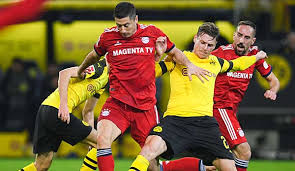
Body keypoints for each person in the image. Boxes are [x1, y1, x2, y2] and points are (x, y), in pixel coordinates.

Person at [76, 2, 209, 171]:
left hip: (144, 108)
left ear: (136, 19)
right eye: (119, 26)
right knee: (102, 140)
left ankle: (200, 166)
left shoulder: (152, 33)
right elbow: (94, 55)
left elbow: (174, 52)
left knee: (153, 166)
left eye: (126, 25)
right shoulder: (108, 37)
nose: (122, 30)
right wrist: (81, 70)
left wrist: (189, 64)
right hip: (118, 104)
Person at [129, 22, 268, 171]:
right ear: (195, 39)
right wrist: (156, 57)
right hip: (176, 121)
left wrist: (257, 57)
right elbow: (150, 73)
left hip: (206, 124)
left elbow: (238, 64)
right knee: (149, 152)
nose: (205, 48)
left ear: (215, 46)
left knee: (229, 167)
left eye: (210, 45)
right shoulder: (178, 58)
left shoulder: (216, 62)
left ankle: (197, 167)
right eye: (202, 42)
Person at [211, 20, 280, 171]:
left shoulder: (255, 56)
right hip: (219, 108)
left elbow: (274, 80)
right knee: (244, 151)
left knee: (220, 160)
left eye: (247, 38)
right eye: (239, 35)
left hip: (231, 112)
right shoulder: (221, 53)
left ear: (253, 41)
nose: (241, 41)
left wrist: (272, 90)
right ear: (234, 35)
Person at [19, 59, 108, 171]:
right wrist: (63, 105)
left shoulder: (105, 80)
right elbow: (64, 73)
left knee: (42, 165)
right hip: (57, 110)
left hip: (46, 109)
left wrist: (92, 140)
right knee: (103, 141)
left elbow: (88, 111)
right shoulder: (99, 67)